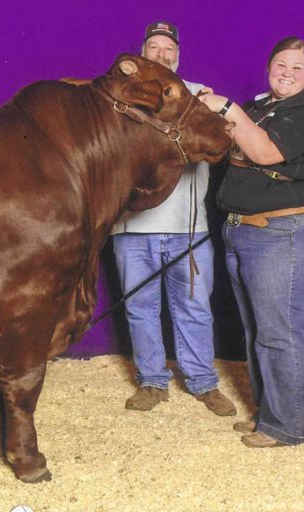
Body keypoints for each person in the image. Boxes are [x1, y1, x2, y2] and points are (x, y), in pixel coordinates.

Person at [199, 37, 304, 448]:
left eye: (297, 67)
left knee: (279, 331)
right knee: (257, 329)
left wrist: (225, 107)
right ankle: (269, 414)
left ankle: (290, 427)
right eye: (281, 64)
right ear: (269, 67)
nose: (287, 73)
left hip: (283, 233)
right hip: (244, 228)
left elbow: (262, 152)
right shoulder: (261, 108)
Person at [110, 22, 236, 416]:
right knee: (139, 308)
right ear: (140, 54)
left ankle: (202, 381)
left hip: (189, 228)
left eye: (169, 49)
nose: (162, 54)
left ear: (177, 56)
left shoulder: (199, 96)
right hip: (131, 227)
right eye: (154, 47)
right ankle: (151, 380)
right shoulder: (122, 99)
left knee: (195, 307)